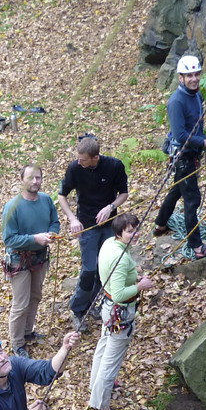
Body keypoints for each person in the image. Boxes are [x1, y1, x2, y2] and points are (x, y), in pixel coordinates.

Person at [57, 136, 130, 332]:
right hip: (87, 226)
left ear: (95, 157)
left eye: (83, 159)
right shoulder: (75, 168)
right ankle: (78, 309)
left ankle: (95, 305)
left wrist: (111, 207)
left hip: (109, 224)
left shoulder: (114, 166)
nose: (79, 162)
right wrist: (73, 219)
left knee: (105, 268)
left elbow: (124, 193)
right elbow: (62, 195)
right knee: (89, 269)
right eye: (78, 159)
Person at [88, 213, 154, 410]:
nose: (135, 234)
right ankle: (102, 408)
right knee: (111, 362)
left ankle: (96, 387)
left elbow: (116, 276)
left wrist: (133, 275)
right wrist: (139, 286)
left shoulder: (110, 243)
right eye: (130, 231)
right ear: (119, 233)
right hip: (119, 312)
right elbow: (119, 294)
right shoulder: (121, 257)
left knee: (104, 346)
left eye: (136, 229)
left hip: (109, 309)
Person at [154, 55, 206, 258]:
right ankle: (197, 246)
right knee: (192, 199)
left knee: (177, 190)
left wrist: (201, 142)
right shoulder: (176, 101)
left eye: (196, 74)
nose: (193, 79)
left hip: (191, 154)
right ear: (180, 77)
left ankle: (160, 224)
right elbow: (180, 134)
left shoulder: (196, 95)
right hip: (183, 157)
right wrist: (204, 142)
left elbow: (196, 124)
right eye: (189, 75)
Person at [1, 165, 60, 358]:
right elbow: (9, 239)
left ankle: (28, 332)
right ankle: (17, 343)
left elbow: (55, 222)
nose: (35, 182)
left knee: (35, 296)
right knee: (21, 302)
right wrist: (35, 238)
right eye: (31, 178)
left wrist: (52, 234)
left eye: (38, 178)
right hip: (19, 259)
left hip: (39, 257)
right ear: (22, 180)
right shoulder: (12, 207)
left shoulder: (46, 200)